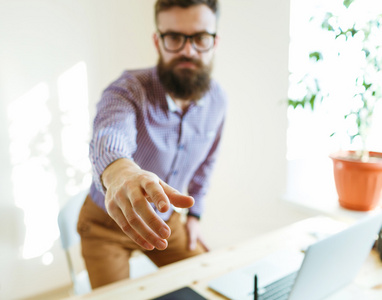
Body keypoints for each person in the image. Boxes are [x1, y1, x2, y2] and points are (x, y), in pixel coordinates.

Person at [77, 0, 227, 289]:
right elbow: (109, 134)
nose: (188, 50)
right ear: (158, 41)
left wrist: (195, 215)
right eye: (174, 37)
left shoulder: (218, 100)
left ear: (214, 41)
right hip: (106, 224)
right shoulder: (128, 89)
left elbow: (207, 164)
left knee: (210, 282)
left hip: (165, 220)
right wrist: (121, 173)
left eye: (200, 38)